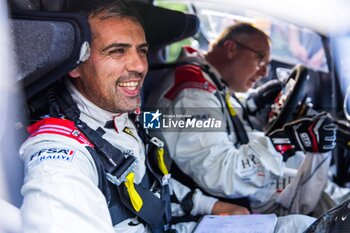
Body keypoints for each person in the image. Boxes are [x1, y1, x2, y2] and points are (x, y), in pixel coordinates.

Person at [18, 1, 251, 233]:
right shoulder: (60, 154)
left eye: (142, 50)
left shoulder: (130, 116)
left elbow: (156, 181)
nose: (139, 65)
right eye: (117, 51)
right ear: (76, 64)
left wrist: (211, 205)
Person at [146, 23, 337, 216]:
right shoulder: (193, 96)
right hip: (212, 205)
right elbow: (220, 175)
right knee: (316, 208)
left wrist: (253, 110)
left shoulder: (209, 79)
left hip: (226, 191)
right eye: (260, 58)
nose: (264, 72)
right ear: (231, 48)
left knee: (310, 179)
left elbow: (227, 128)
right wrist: (284, 143)